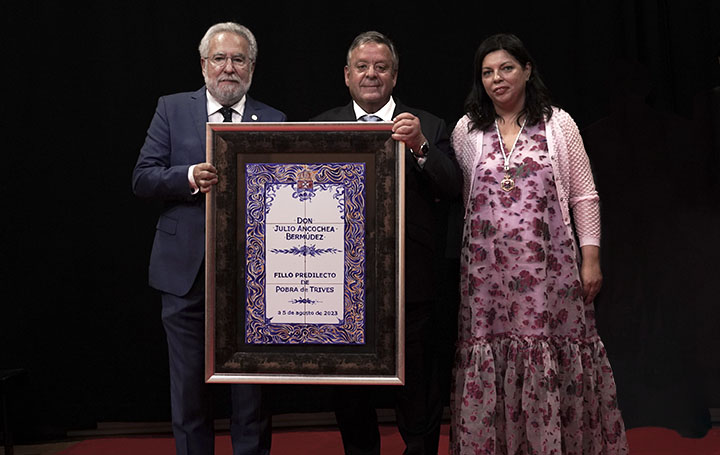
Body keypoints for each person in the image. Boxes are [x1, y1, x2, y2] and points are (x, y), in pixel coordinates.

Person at [450, 33, 628, 454]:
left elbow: (584, 194)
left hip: (552, 279)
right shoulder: (466, 130)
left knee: (552, 357)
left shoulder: (558, 124)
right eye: (488, 72)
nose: (497, 79)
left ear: (527, 71)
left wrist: (591, 258)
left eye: (506, 68)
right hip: (486, 282)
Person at [132, 22, 286, 455]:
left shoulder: (274, 119)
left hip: (254, 278)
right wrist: (186, 177)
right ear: (203, 65)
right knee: (188, 393)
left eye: (238, 59)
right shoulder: (172, 109)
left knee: (251, 396)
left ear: (252, 67)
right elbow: (142, 179)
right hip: (185, 275)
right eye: (219, 58)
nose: (228, 68)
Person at [312, 31, 462, 455]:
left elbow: (452, 187)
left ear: (394, 77)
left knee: (420, 400)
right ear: (347, 75)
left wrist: (420, 147)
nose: (371, 74)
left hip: (412, 291)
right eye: (362, 67)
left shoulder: (428, 125)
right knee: (351, 404)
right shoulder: (320, 126)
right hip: (340, 295)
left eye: (381, 67)